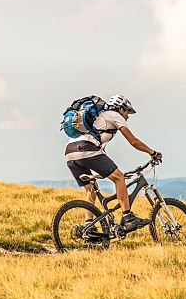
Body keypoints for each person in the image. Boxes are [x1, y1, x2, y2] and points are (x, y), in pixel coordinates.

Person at [65, 94, 162, 233]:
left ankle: (89, 226)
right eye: (128, 112)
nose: (127, 117)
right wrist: (152, 152)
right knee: (119, 177)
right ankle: (128, 217)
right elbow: (133, 141)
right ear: (121, 109)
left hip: (70, 152)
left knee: (91, 189)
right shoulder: (114, 115)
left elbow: (99, 151)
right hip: (86, 149)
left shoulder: (100, 117)